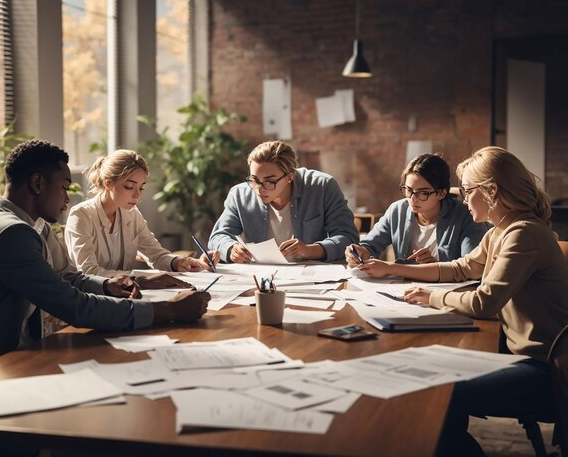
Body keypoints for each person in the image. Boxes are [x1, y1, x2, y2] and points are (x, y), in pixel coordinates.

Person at [347, 146, 568, 456]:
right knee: (430, 373)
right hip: (522, 356)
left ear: (491, 192)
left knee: (441, 390)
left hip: (545, 372)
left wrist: (432, 297)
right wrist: (402, 271)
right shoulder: (500, 232)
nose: (463, 200)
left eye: (467, 191)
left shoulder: (523, 234)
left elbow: (483, 303)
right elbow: (461, 268)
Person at [0, 140, 210, 381]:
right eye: (63, 188)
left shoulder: (34, 226)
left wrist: (107, 286)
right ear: (37, 184)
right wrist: (169, 311)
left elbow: (70, 278)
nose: (67, 200)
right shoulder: (10, 232)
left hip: (14, 356)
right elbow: (73, 307)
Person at [65, 150, 219, 287]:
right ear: (108, 183)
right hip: (89, 302)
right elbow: (88, 272)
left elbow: (157, 255)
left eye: (141, 187)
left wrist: (177, 262)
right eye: (129, 187)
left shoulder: (131, 213)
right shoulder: (81, 215)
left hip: (126, 296)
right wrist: (141, 279)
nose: (137, 195)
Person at [209, 140, 358, 263]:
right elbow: (218, 237)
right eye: (254, 180)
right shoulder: (239, 194)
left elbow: (348, 237)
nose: (259, 189)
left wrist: (310, 250)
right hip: (261, 278)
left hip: (311, 277)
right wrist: (230, 249)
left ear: (290, 177)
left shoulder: (322, 187)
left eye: (270, 181)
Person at [346, 154, 489, 265]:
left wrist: (436, 267)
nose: (413, 199)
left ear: (441, 193)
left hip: (446, 292)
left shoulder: (465, 215)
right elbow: (370, 245)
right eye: (408, 190)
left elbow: (471, 268)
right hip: (403, 290)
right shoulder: (397, 211)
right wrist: (360, 252)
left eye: (423, 193)